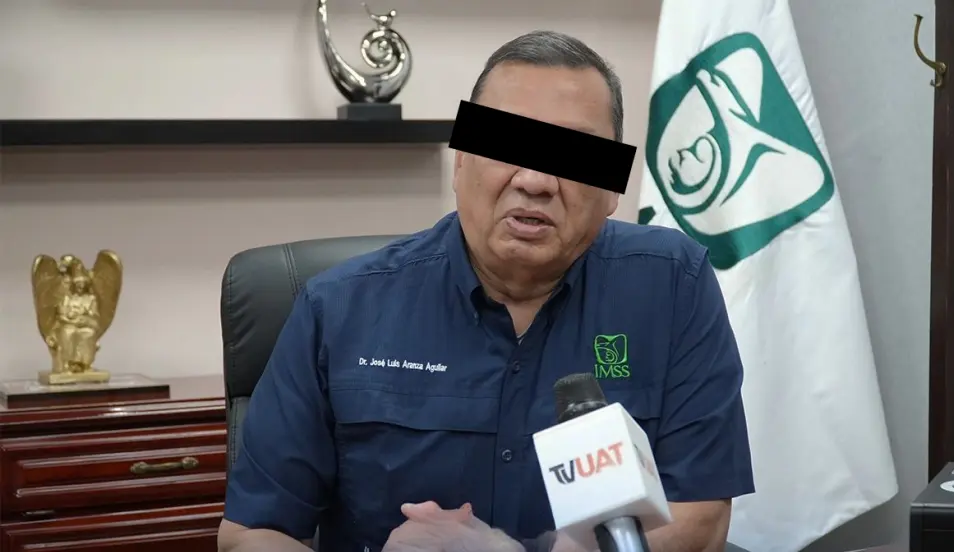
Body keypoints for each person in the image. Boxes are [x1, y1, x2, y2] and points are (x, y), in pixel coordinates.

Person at [217, 30, 755, 552]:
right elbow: (252, 534)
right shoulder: (337, 309)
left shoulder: (673, 285)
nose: (535, 180)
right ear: (461, 161)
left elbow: (700, 522)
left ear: (613, 188)